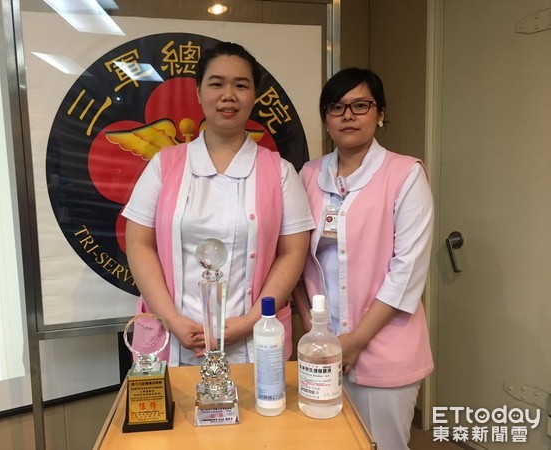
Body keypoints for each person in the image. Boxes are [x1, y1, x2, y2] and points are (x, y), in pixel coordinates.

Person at [122, 42, 314, 366]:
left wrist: (250, 321)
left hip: (253, 340)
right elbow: (138, 243)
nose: (228, 95)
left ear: (254, 96)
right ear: (199, 92)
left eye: (241, 85)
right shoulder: (164, 165)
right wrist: (172, 319)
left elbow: (292, 253)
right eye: (216, 84)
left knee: (259, 400)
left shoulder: (280, 172)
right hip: (172, 337)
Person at [295, 67, 433, 449]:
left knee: (382, 443)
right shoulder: (308, 175)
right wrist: (312, 328)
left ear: (380, 113)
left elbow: (406, 270)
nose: (348, 116)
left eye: (360, 105)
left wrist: (354, 341)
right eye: (336, 107)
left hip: (384, 347)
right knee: (323, 441)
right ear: (326, 118)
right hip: (320, 347)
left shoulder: (405, 175)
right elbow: (294, 260)